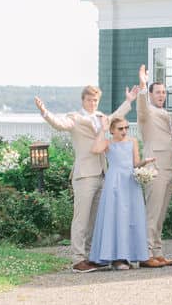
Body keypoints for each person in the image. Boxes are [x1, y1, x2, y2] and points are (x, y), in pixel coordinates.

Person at [34, 84, 134, 272]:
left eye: (95, 100)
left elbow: (116, 116)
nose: (92, 103)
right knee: (81, 219)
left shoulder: (101, 117)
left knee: (96, 220)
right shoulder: (75, 118)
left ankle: (92, 256)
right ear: (83, 100)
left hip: (103, 174)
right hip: (84, 175)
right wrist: (45, 112)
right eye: (89, 100)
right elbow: (60, 124)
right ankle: (78, 259)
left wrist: (129, 101)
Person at [88, 112, 152, 269]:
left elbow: (135, 163)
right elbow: (95, 149)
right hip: (115, 182)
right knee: (116, 217)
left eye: (126, 128)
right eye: (120, 128)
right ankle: (116, 258)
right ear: (112, 130)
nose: (124, 131)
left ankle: (130, 255)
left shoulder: (132, 141)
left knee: (131, 217)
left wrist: (145, 163)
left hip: (131, 181)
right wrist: (102, 130)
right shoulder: (107, 143)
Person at [135, 63, 172, 268]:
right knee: (152, 213)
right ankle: (145, 254)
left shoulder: (165, 113)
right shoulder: (148, 113)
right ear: (151, 95)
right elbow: (142, 109)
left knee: (161, 214)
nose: (162, 95)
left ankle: (158, 252)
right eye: (158, 92)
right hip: (155, 166)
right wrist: (143, 86)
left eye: (164, 92)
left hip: (170, 165)